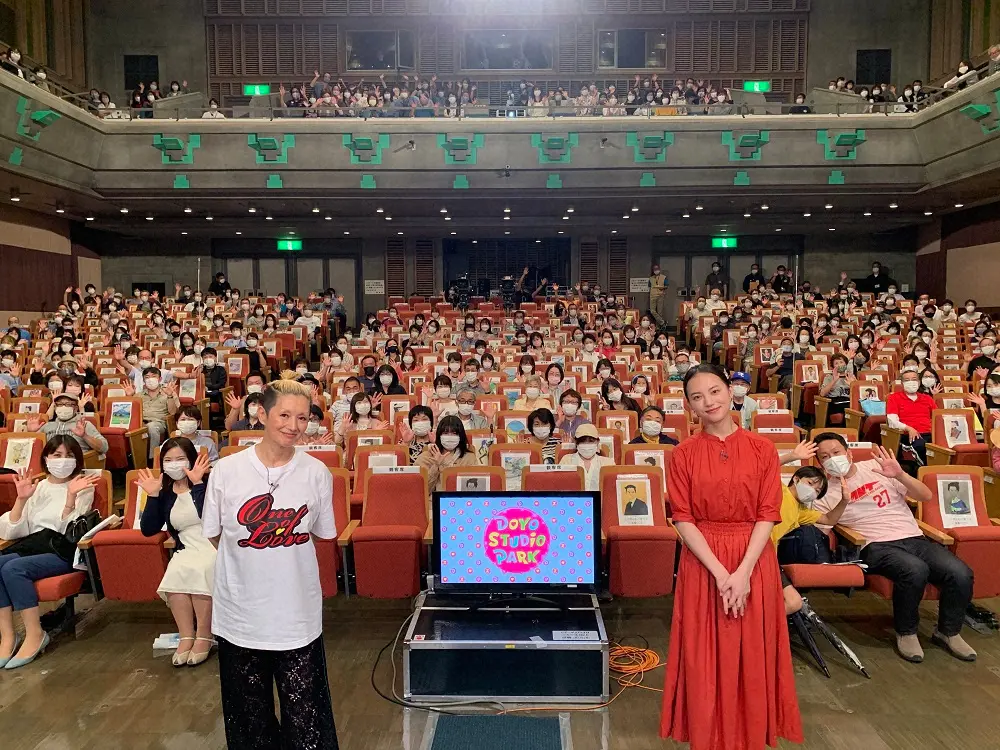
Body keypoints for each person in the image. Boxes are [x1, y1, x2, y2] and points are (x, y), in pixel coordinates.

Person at [661, 363, 802, 748]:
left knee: (752, 652)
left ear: (730, 391)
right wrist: (722, 574)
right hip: (703, 561)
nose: (708, 402)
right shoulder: (683, 454)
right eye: (697, 397)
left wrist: (741, 573)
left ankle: (750, 736)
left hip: (754, 560)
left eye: (714, 391)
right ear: (689, 406)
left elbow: (768, 514)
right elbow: (683, 518)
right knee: (704, 654)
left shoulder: (762, 449)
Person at [203, 380, 339, 748]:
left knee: (306, 718)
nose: (293, 426)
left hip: (296, 613)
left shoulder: (316, 473)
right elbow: (216, 535)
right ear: (262, 414)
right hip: (240, 613)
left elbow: (320, 534)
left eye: (302, 418)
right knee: (249, 719)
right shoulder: (226, 470)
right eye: (284, 415)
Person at [813, 434, 976, 663]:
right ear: (820, 463)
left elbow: (925, 495)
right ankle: (907, 632)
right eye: (824, 457)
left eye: (836, 452)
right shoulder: (823, 490)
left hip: (914, 538)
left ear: (848, 453)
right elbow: (822, 529)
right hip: (874, 545)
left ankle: (948, 632)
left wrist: (900, 474)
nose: (832, 459)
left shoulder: (876, 466)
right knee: (914, 570)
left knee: (960, 572)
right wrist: (842, 500)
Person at [0, 436, 100, 669]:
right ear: (46, 458)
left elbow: (70, 531)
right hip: (34, 546)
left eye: (69, 455)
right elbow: (14, 530)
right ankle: (8, 636)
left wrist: (71, 497)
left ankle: (35, 634)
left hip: (63, 551)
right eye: (57, 455)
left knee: (14, 569)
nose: (63, 460)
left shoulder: (83, 485)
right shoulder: (39, 487)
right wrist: (21, 500)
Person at [137, 440, 215, 666]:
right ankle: (186, 636)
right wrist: (153, 497)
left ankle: (204, 636)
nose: (174, 464)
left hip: (213, 543)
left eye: (180, 459)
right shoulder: (165, 492)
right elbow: (148, 529)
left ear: (191, 460)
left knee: (201, 568)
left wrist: (197, 483)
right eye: (168, 460)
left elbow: (210, 517)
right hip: (186, 546)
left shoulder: (208, 483)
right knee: (176, 570)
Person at [771, 466, 849, 614]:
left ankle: (761, 624)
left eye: (817, 491)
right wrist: (793, 456)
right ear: (796, 479)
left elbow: (829, 519)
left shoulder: (801, 511)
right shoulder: (779, 490)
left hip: (771, 560)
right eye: (810, 483)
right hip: (753, 553)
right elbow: (763, 468)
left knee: (793, 603)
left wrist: (844, 501)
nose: (813, 491)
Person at [886, 369, 935, 466]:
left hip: (930, 434)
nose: (911, 382)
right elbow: (892, 421)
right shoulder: (894, 398)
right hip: (908, 435)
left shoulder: (927, 398)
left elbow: (937, 418)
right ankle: (928, 470)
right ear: (902, 383)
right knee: (921, 446)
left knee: (942, 449)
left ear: (919, 382)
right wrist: (908, 428)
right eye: (907, 380)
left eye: (914, 379)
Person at [415, 416, 478, 491]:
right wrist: (436, 465)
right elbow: (421, 490)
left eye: (454, 433)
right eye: (445, 433)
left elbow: (473, 488)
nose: (450, 437)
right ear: (439, 435)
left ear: (460, 436)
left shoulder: (469, 458)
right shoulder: (425, 457)